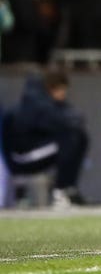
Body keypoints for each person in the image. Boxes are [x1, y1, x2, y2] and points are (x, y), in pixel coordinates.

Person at [0, 68, 89, 208]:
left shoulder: (48, 103)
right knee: (71, 138)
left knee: (78, 136)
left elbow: (73, 119)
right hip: (21, 158)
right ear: (52, 88)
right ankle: (60, 192)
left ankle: (68, 189)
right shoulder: (35, 103)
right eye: (61, 90)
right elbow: (65, 122)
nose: (63, 94)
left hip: (33, 152)